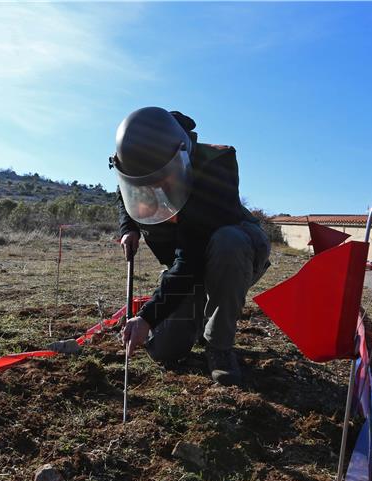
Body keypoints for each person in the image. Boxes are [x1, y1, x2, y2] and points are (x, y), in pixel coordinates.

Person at [113, 107, 271, 386]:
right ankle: (194, 317)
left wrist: (147, 317)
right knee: (165, 351)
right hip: (188, 263)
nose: (156, 187)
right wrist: (130, 229)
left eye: (161, 179)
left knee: (228, 243)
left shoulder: (215, 168)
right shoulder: (139, 163)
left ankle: (219, 347)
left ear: (182, 154)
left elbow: (191, 258)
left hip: (235, 254)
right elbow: (127, 193)